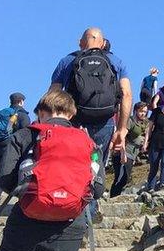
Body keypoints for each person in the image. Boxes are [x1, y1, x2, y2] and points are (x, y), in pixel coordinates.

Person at [0, 91, 98, 251]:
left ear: (41, 113)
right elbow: (98, 187)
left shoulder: (26, 135)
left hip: (25, 226)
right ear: (72, 114)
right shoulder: (87, 141)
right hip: (69, 228)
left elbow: (5, 180)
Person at [49, 27, 130, 206]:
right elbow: (126, 94)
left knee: (71, 164)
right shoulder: (115, 61)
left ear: (81, 42)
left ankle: (67, 207)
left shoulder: (68, 61)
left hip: (75, 122)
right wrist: (122, 129)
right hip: (105, 123)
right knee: (95, 166)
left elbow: (53, 94)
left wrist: (49, 124)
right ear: (102, 43)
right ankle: (89, 213)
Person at [0, 93, 32, 203]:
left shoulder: (2, 113)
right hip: (10, 147)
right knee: (4, 173)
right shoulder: (22, 115)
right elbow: (26, 134)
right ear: (21, 101)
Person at [111, 102, 148, 198]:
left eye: (145, 112)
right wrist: (123, 153)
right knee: (121, 177)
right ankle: (113, 197)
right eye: (141, 111)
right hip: (124, 151)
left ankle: (116, 196)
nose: (143, 113)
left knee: (126, 178)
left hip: (133, 153)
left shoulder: (143, 123)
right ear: (136, 111)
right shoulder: (130, 121)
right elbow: (122, 137)